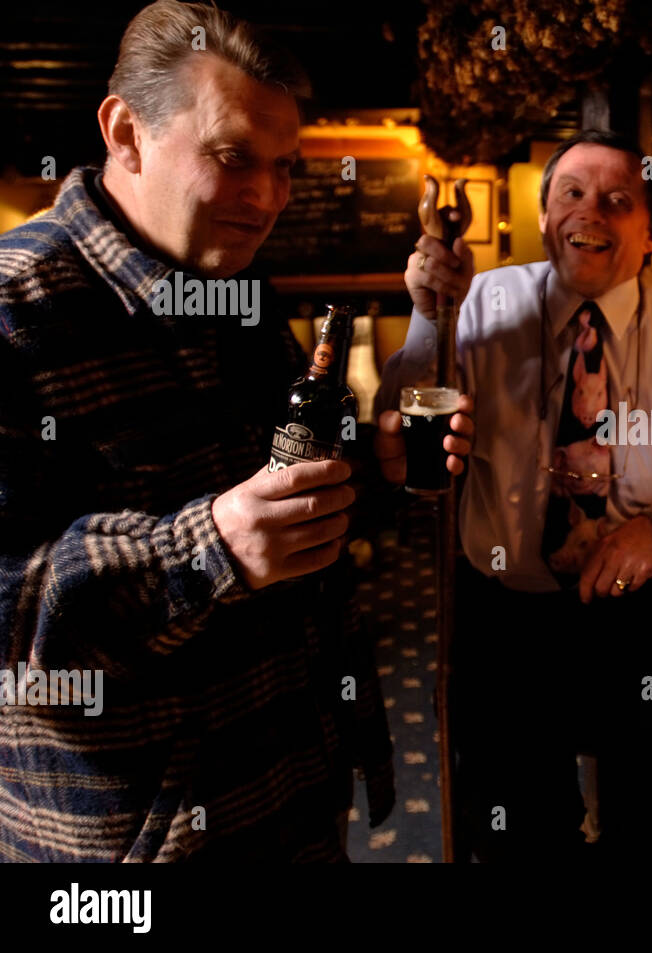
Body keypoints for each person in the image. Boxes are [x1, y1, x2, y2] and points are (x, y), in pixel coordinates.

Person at [0, 0, 395, 861]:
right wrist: (207, 547)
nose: (266, 199)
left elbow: (290, 491)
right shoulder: (15, 309)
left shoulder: (240, 292)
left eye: (285, 167)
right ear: (125, 131)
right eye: (231, 158)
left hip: (297, 802)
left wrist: (376, 464)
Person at [376, 129, 652, 862]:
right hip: (505, 612)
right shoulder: (486, 298)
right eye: (573, 194)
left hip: (649, 608)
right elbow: (405, 424)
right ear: (545, 213)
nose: (593, 212)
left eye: (619, 202)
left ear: (648, 233)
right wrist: (430, 311)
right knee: (516, 824)